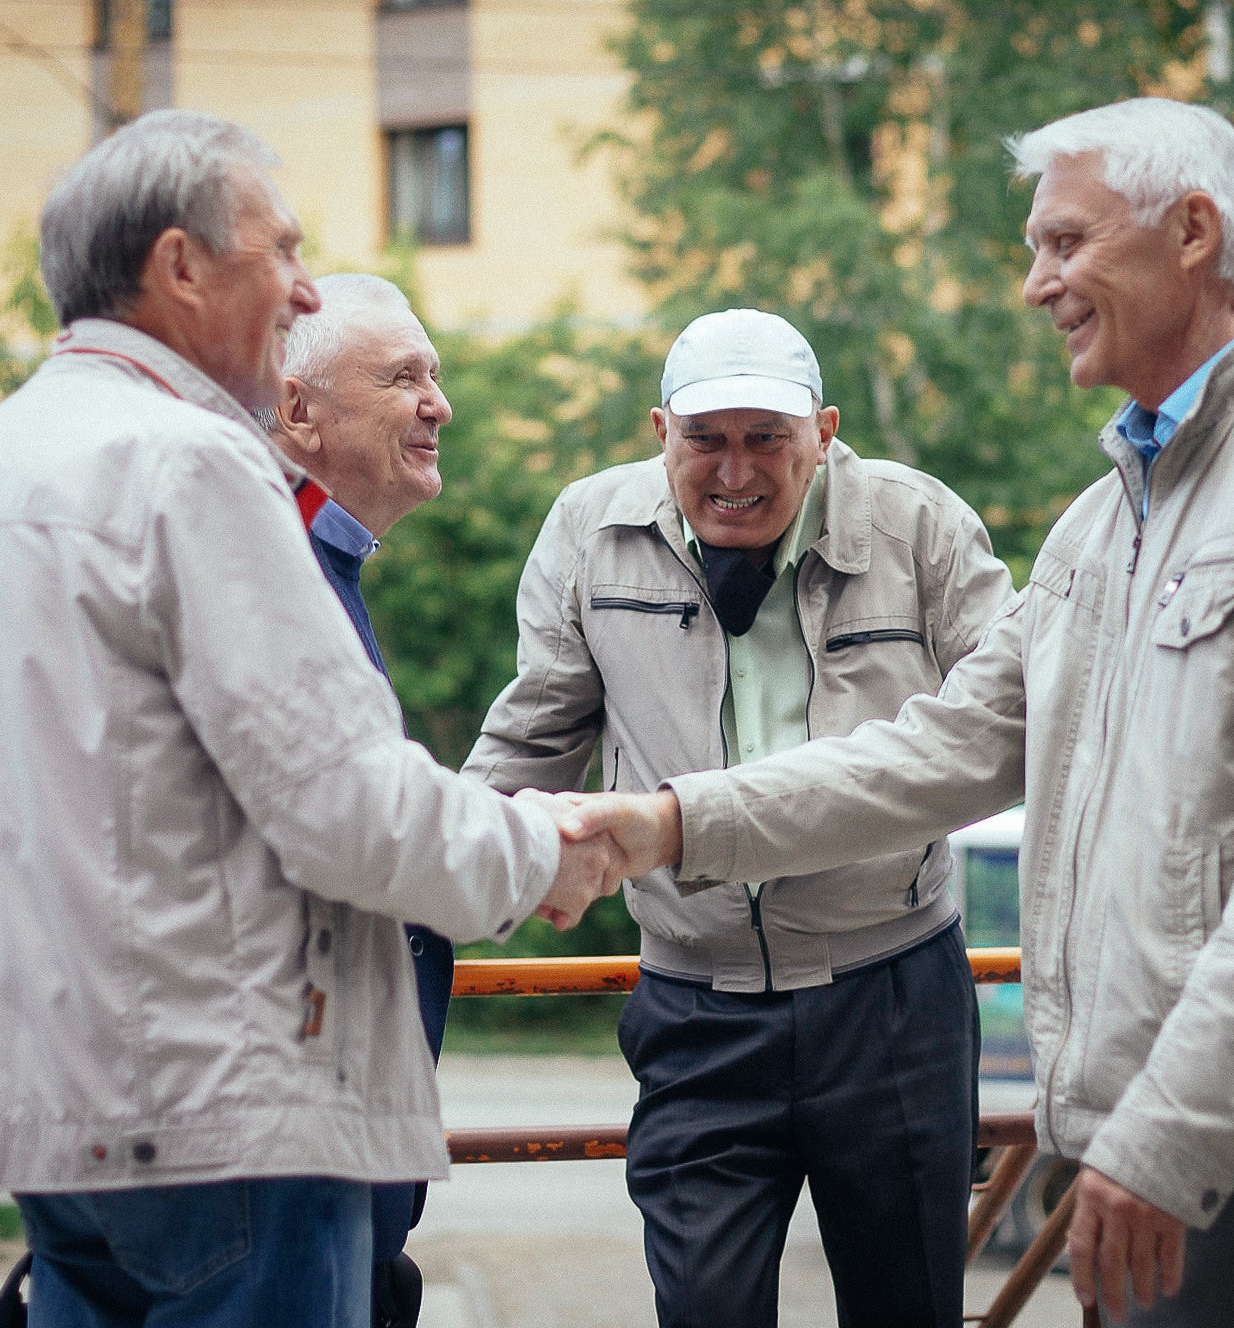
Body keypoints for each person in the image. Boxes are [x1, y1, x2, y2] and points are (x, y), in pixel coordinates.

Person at [562, 98, 1234, 1328]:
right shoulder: (1109, 519)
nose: (1037, 284)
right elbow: (939, 749)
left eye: (1064, 242)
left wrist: (1169, 1136)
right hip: (1132, 1128)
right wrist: (667, 823)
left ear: (1193, 231)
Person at [0, 110, 618, 1328]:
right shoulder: (195, 464)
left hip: (60, 1109)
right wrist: (547, 848)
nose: (305, 286)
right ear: (180, 266)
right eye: (281, 248)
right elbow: (347, 804)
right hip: (229, 1111)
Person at [462, 308, 1014, 1328]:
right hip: (694, 999)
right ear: (658, 430)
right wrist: (425, 877)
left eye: (769, 438)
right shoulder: (591, 529)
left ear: (827, 430)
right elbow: (535, 735)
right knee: (704, 1307)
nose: (735, 470)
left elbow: (1011, 725)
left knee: (910, 1307)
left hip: (892, 993)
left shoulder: (921, 526)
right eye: (706, 439)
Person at [253, 272, 459, 1328]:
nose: (439, 403)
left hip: (343, 1141)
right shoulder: (270, 574)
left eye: (435, 374)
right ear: (300, 411)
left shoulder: (318, 566)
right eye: (404, 378)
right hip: (292, 1151)